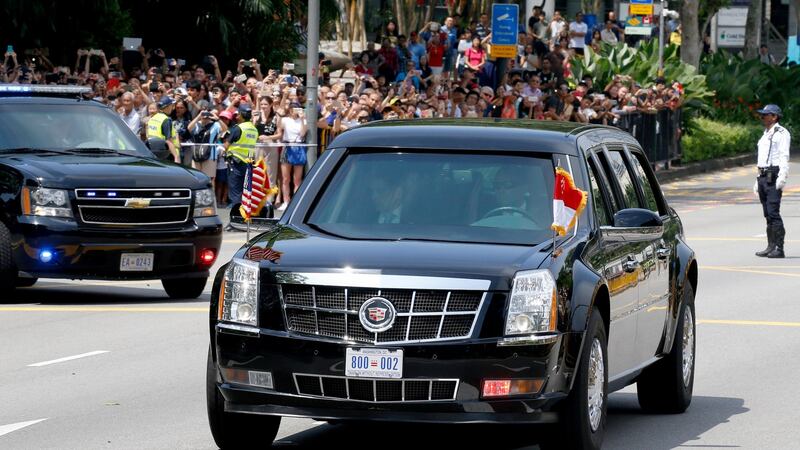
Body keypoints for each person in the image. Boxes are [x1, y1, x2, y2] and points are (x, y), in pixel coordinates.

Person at [753, 104, 791, 258]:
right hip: (763, 176)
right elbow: (761, 159)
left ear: (774, 117)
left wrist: (783, 176)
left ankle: (779, 248)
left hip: (774, 175)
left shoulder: (782, 133)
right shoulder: (765, 134)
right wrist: (757, 179)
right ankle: (771, 246)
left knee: (774, 212)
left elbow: (783, 156)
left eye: (766, 115)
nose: (763, 117)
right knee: (767, 213)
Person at [224, 104, 258, 229]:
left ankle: (235, 222)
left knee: (235, 193)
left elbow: (226, 145)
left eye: (238, 114)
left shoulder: (238, 128)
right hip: (248, 164)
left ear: (242, 115)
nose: (236, 116)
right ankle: (244, 220)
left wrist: (223, 151)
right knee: (245, 193)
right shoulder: (253, 129)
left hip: (236, 163)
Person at [146, 96, 179, 163]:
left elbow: (148, 135)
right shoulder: (166, 119)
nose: (173, 107)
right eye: (171, 105)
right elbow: (168, 141)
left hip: (153, 152)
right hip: (166, 153)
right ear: (167, 107)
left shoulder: (152, 118)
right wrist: (176, 157)